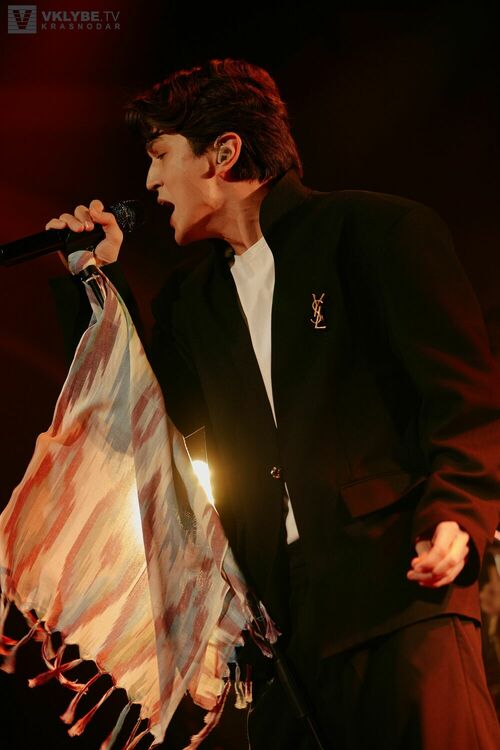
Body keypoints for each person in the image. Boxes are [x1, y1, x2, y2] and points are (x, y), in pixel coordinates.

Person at [46, 58, 500, 749]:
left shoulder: (372, 231)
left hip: (399, 593)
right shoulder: (194, 303)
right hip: (280, 638)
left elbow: (464, 401)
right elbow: (135, 419)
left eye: (161, 155)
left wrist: (457, 514)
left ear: (223, 153)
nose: (150, 182)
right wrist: (93, 280)